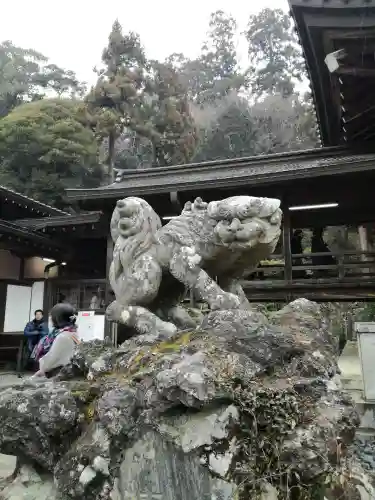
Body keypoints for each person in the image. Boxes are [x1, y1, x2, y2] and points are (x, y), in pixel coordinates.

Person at [32, 303, 80, 378]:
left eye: (51, 316)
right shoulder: (72, 332)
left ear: (57, 318)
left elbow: (49, 361)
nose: (50, 318)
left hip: (59, 376)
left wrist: (42, 366)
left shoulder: (62, 336)